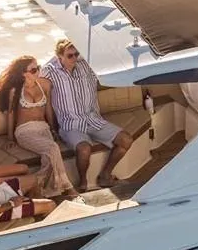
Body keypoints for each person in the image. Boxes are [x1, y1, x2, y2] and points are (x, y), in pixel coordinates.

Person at [41, 38, 133, 191]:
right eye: (70, 56)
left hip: (93, 119)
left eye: (76, 54)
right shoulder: (49, 72)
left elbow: (105, 54)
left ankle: (105, 176)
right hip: (71, 124)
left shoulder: (85, 65)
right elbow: (34, 86)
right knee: (84, 149)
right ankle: (83, 182)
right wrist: (52, 128)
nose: (74, 58)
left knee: (126, 140)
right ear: (59, 57)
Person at [0, 54, 75, 198]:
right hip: (25, 131)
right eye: (33, 70)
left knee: (49, 158)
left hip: (43, 128)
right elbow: (11, 114)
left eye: (38, 68)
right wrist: (10, 138)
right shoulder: (15, 91)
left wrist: (53, 129)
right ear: (24, 73)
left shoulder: (45, 85)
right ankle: (68, 187)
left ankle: (35, 188)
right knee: (53, 148)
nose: (38, 71)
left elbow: (48, 109)